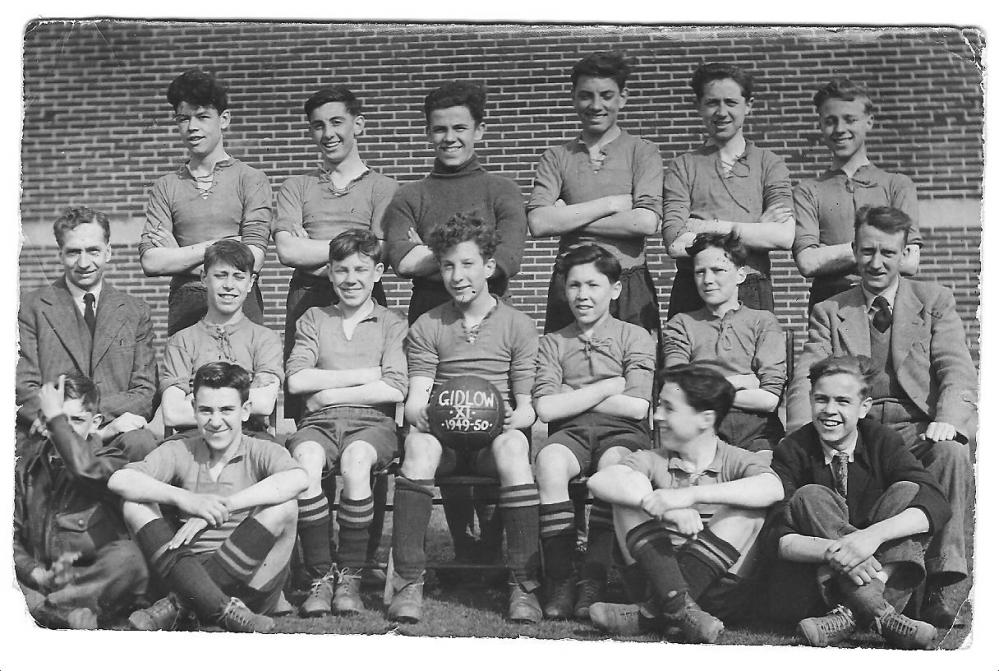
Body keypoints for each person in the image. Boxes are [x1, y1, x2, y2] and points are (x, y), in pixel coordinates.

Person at [786, 205, 976, 628]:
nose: (876, 262)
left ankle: (945, 587)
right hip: (861, 431)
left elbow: (956, 368)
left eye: (888, 252)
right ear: (854, 250)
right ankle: (882, 605)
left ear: (905, 253)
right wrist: (803, 430)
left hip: (920, 427)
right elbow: (807, 375)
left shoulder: (934, 300)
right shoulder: (830, 310)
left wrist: (949, 420)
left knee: (952, 454)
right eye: (867, 250)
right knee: (817, 485)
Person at [383, 81, 528, 565]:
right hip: (431, 324)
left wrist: (438, 252)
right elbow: (399, 260)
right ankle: (463, 541)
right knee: (443, 420)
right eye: (439, 129)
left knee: (488, 418)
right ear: (428, 134)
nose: (450, 138)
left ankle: (490, 538)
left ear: (479, 131)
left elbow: (507, 258)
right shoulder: (410, 195)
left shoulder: (501, 189)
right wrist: (460, 254)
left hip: (489, 327)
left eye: (460, 128)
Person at [387, 212, 542, 625]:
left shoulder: (519, 325)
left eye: (467, 264)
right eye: (448, 265)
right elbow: (417, 399)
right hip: (447, 437)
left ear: (489, 267)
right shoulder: (428, 323)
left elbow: (527, 406)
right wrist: (428, 415)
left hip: (494, 437)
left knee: (515, 445)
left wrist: (513, 417)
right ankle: (407, 581)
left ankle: (524, 584)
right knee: (417, 445)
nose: (457, 275)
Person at [585, 364, 783, 644]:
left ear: (705, 418)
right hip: (652, 578)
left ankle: (651, 614)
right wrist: (661, 507)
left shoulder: (737, 459)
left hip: (719, 593)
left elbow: (772, 488)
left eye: (669, 407)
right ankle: (681, 611)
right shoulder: (653, 458)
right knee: (625, 499)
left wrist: (690, 496)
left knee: (748, 507)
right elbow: (601, 481)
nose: (657, 415)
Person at [109, 362, 308, 633]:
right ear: (193, 410)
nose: (215, 421)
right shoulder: (181, 449)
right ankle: (218, 610)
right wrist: (186, 499)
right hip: (186, 570)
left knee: (285, 505)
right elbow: (119, 479)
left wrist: (221, 508)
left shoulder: (261, 450)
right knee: (134, 503)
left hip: (248, 586)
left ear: (246, 410)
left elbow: (298, 479)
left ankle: (179, 606)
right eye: (206, 410)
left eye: (226, 410)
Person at [770, 355, 948, 649]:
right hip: (817, 583)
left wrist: (870, 538)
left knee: (907, 491)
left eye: (842, 401)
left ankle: (851, 615)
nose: (829, 410)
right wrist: (837, 552)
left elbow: (936, 502)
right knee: (809, 496)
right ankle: (882, 615)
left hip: (883, 570)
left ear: (864, 407)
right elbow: (777, 537)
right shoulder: (793, 450)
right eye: (821, 399)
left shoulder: (882, 440)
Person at [285, 229, 407, 617]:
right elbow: (297, 380)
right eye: (341, 270)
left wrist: (330, 391)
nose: (350, 279)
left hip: (372, 424)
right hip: (318, 422)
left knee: (357, 461)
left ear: (378, 272)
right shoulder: (314, 318)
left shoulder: (393, 323)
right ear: (329, 272)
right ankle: (320, 576)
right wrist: (367, 374)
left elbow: (395, 388)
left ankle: (351, 576)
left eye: (360, 269)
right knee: (305, 463)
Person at [532, 244, 656, 620]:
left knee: (614, 466)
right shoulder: (553, 341)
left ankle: (593, 577)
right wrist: (607, 387)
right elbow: (546, 408)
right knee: (550, 461)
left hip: (623, 432)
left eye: (593, 285)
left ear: (615, 290)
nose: (582, 295)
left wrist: (574, 394)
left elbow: (637, 406)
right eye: (573, 286)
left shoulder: (635, 336)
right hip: (569, 434)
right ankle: (561, 578)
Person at [274, 86, 398, 419]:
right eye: (318, 125)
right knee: (308, 408)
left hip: (366, 297)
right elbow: (286, 250)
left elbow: (383, 252)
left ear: (358, 125)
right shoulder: (296, 186)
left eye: (337, 122)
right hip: (308, 297)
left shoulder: (384, 188)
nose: (328, 133)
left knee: (368, 399)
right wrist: (357, 245)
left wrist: (312, 248)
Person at [526, 52, 663, 344]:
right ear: (574, 98)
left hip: (628, 281)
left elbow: (645, 222)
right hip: (572, 284)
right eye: (586, 96)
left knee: (638, 375)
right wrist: (611, 204)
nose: (596, 105)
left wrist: (567, 218)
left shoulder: (643, 151)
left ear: (622, 98)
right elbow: (538, 222)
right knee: (566, 371)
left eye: (607, 95)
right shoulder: (556, 157)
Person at [17, 206, 157, 461]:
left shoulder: (135, 311)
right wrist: (62, 420)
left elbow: (144, 391)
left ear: (108, 252)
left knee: (142, 442)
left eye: (93, 250)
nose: (84, 263)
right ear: (60, 254)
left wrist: (90, 418)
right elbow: (22, 387)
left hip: (115, 429)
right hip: (51, 428)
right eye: (73, 252)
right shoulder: (30, 308)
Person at [139, 68, 272, 336]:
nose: (192, 127)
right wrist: (224, 247)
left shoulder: (251, 179)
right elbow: (152, 262)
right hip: (187, 305)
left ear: (224, 120)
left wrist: (179, 254)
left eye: (202, 117)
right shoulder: (166, 186)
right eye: (183, 118)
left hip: (241, 304)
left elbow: (254, 258)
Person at [15, 373, 149, 630]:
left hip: (89, 579)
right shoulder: (25, 467)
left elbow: (85, 468)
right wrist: (34, 572)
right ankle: (57, 612)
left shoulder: (111, 460)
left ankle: (48, 610)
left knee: (129, 558)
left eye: (76, 420)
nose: (66, 429)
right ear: (43, 420)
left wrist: (56, 419)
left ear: (96, 422)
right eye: (58, 419)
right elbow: (9, 533)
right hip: (39, 576)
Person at [662, 62, 794, 318]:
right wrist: (754, 227)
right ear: (699, 105)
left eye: (731, 102)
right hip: (695, 288)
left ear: (749, 104)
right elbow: (675, 243)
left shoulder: (769, 164)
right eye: (712, 102)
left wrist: (702, 226)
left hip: (751, 287)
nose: (721, 112)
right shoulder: (683, 166)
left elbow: (783, 237)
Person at [793, 78, 922, 310]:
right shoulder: (808, 191)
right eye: (830, 121)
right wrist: (879, 251)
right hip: (830, 307)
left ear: (869, 121)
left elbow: (910, 261)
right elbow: (807, 263)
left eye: (850, 119)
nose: (840, 129)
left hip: (888, 305)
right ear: (820, 125)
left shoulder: (896, 185)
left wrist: (833, 254)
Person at [663, 232, 785, 452]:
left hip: (757, 431)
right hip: (700, 430)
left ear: (740, 275)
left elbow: (769, 399)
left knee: (764, 478)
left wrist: (706, 391)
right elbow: (679, 391)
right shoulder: (680, 324)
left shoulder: (763, 321)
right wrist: (744, 380)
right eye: (700, 272)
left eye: (718, 270)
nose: (708, 280)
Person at [159, 240, 283, 436]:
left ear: (250, 283)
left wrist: (196, 399)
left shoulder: (266, 340)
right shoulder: (181, 341)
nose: (229, 285)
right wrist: (246, 394)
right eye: (220, 275)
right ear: (204, 278)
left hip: (250, 437)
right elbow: (173, 413)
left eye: (239, 277)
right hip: (193, 438)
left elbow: (265, 404)